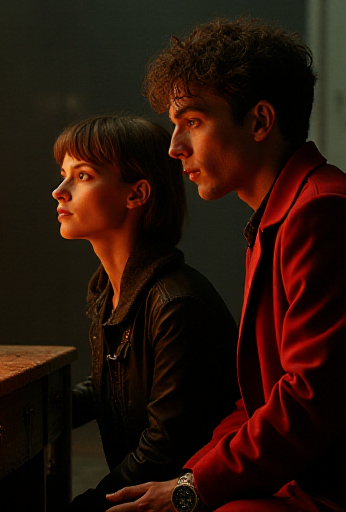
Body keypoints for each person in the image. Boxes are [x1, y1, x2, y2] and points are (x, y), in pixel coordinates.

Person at [105, 18, 346, 512]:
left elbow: (310, 399)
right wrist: (187, 478)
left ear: (259, 121)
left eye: (192, 121)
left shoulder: (321, 212)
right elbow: (258, 402)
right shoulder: (282, 213)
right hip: (324, 475)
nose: (173, 146)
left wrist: (189, 492)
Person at [49, 115, 239, 512]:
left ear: (136, 194)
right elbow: (113, 389)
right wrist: (26, 412)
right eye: (63, 175)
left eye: (81, 176)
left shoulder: (176, 304)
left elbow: (163, 453)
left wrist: (83, 507)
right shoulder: (111, 290)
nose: (59, 192)